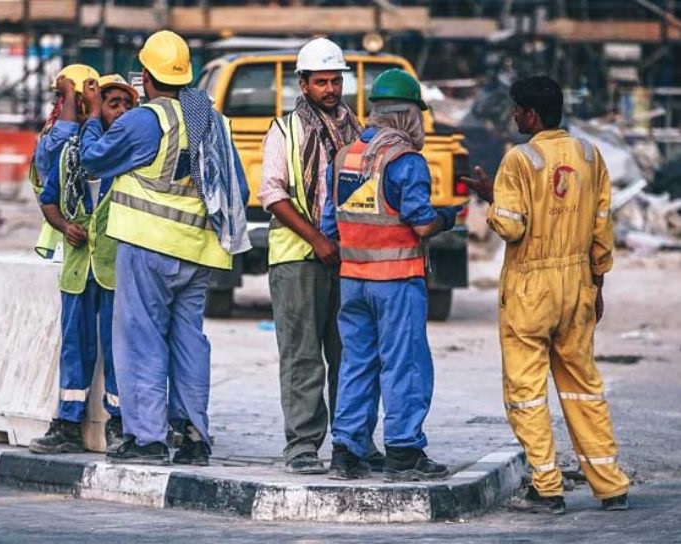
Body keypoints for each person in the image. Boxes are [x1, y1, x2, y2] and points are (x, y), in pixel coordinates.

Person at [80, 30, 250, 466]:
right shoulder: (209, 119)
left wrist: (92, 116)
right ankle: (193, 435)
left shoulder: (144, 120)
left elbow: (94, 160)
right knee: (189, 341)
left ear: (145, 78)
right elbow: (238, 186)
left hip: (147, 247)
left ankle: (148, 438)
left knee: (141, 340)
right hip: (198, 252)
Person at [464, 75, 629, 514]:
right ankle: (611, 485)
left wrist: (490, 198)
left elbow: (513, 226)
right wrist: (598, 284)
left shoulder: (519, 159)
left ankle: (548, 489)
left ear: (531, 115)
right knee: (583, 388)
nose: (513, 115)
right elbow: (601, 227)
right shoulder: (590, 155)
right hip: (577, 283)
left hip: (531, 287)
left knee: (527, 392)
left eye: (517, 109)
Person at [321, 69, 457, 481]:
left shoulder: (345, 156)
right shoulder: (405, 160)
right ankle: (403, 451)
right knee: (405, 364)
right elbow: (420, 224)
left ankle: (348, 450)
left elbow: (330, 225)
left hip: (353, 280)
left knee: (357, 364)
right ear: (407, 115)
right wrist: (447, 218)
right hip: (396, 280)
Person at [260, 37, 383, 474]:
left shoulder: (359, 132)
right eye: (322, 82)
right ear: (304, 83)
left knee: (350, 354)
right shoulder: (284, 130)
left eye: (336, 80)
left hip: (349, 260)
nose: (331, 89)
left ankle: (353, 442)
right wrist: (317, 238)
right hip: (298, 260)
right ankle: (303, 445)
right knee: (303, 355)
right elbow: (272, 194)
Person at [29, 74, 139, 454]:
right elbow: (48, 200)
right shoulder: (70, 154)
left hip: (115, 270)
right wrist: (63, 226)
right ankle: (68, 423)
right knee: (75, 346)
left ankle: (120, 423)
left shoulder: (131, 156)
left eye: (127, 105)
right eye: (113, 104)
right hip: (78, 270)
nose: (121, 112)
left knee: (117, 347)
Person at [29, 64, 100, 259]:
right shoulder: (50, 143)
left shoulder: (94, 139)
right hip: (63, 241)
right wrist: (70, 95)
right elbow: (63, 137)